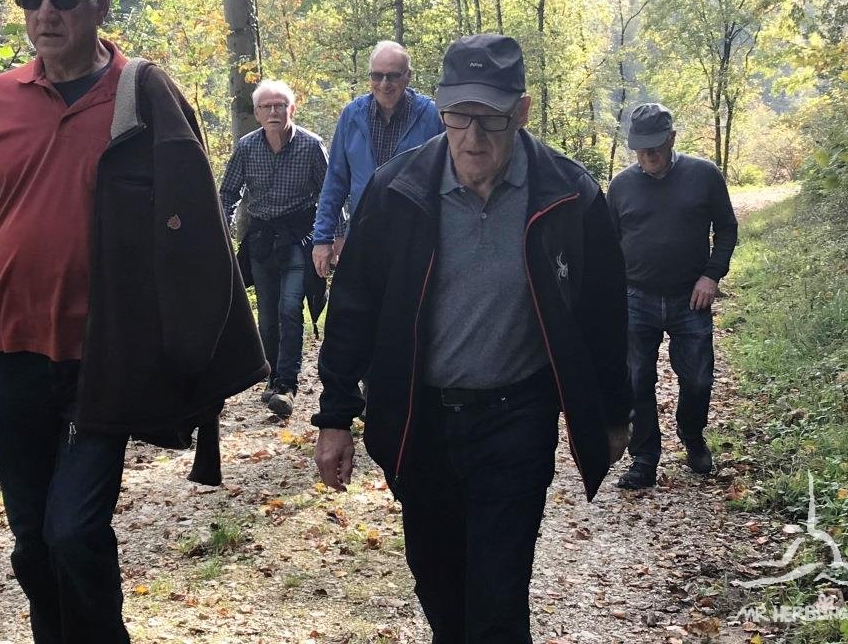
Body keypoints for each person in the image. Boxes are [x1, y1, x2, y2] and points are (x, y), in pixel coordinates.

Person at [0, 0, 267, 643]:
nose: (45, 12)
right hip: (13, 355)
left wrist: (191, 345)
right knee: (32, 545)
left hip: (105, 358)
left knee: (72, 531)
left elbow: (194, 230)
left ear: (99, 5)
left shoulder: (142, 98)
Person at [312, 34, 632, 643]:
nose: (473, 138)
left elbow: (604, 316)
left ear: (523, 112)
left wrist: (614, 414)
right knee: (440, 590)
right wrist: (335, 417)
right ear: (441, 109)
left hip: (517, 420)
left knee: (498, 600)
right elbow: (353, 308)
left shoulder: (570, 195)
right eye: (459, 117)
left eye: (492, 119)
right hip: (422, 421)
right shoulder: (396, 189)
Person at [607, 102, 738, 490]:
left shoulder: (703, 175)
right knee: (637, 380)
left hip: (690, 298)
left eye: (655, 146)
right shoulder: (621, 186)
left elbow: (727, 229)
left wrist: (711, 276)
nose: (648, 155)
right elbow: (608, 245)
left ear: (672, 138)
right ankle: (645, 458)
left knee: (697, 379)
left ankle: (692, 435)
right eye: (640, 148)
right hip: (636, 296)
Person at [220, 79, 329, 418]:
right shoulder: (247, 147)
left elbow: (331, 194)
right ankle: (272, 375)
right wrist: (220, 231)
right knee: (267, 315)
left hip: (298, 238)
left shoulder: (311, 146)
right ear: (256, 113)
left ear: (291, 109)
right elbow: (228, 193)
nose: (273, 112)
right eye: (266, 107)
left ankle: (286, 384)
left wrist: (332, 239)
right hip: (261, 239)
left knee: (289, 308)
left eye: (279, 105)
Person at [311, 40, 444, 277]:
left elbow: (446, 179)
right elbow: (335, 182)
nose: (384, 84)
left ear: (408, 76)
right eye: (377, 76)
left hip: (414, 239)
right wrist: (322, 238)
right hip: (363, 234)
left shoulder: (430, 116)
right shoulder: (352, 116)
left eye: (392, 76)